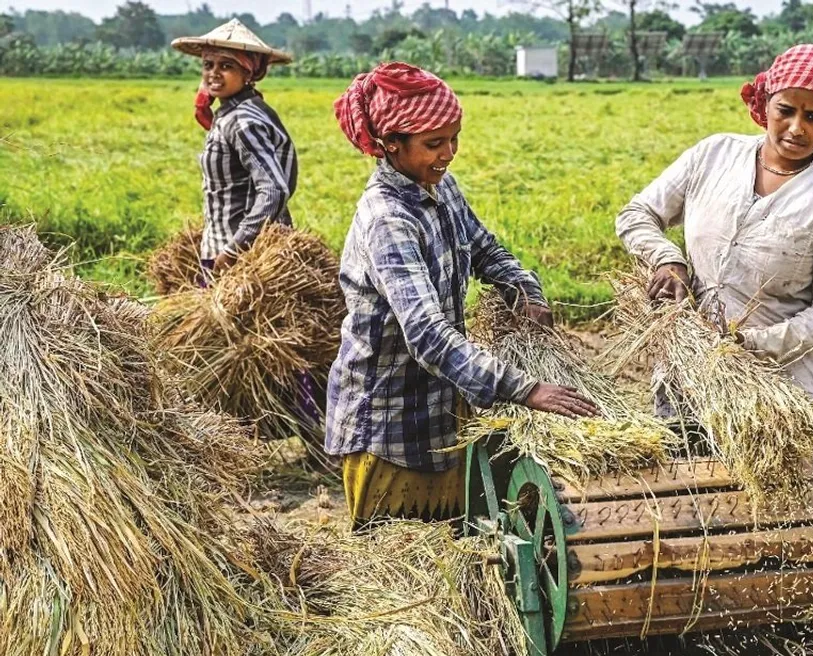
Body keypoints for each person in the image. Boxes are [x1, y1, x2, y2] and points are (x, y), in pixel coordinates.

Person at [327, 62, 598, 528]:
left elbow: (484, 248)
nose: (448, 153)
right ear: (392, 144)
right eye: (434, 143)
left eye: (454, 138)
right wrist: (524, 388)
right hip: (387, 418)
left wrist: (523, 290)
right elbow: (428, 334)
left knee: (458, 539)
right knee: (402, 561)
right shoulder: (388, 219)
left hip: (440, 402)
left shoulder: (440, 186)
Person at [616, 44, 813, 405]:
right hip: (686, 375)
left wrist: (749, 343)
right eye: (786, 110)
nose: (797, 128)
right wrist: (666, 259)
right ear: (765, 105)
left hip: (778, 392)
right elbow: (636, 214)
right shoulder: (714, 155)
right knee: (681, 460)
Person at [171, 19, 297, 277]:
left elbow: (273, 189)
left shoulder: (243, 121)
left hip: (243, 260)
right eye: (208, 65)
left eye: (226, 66)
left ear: (248, 73)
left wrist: (233, 249)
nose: (213, 73)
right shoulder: (231, 113)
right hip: (224, 248)